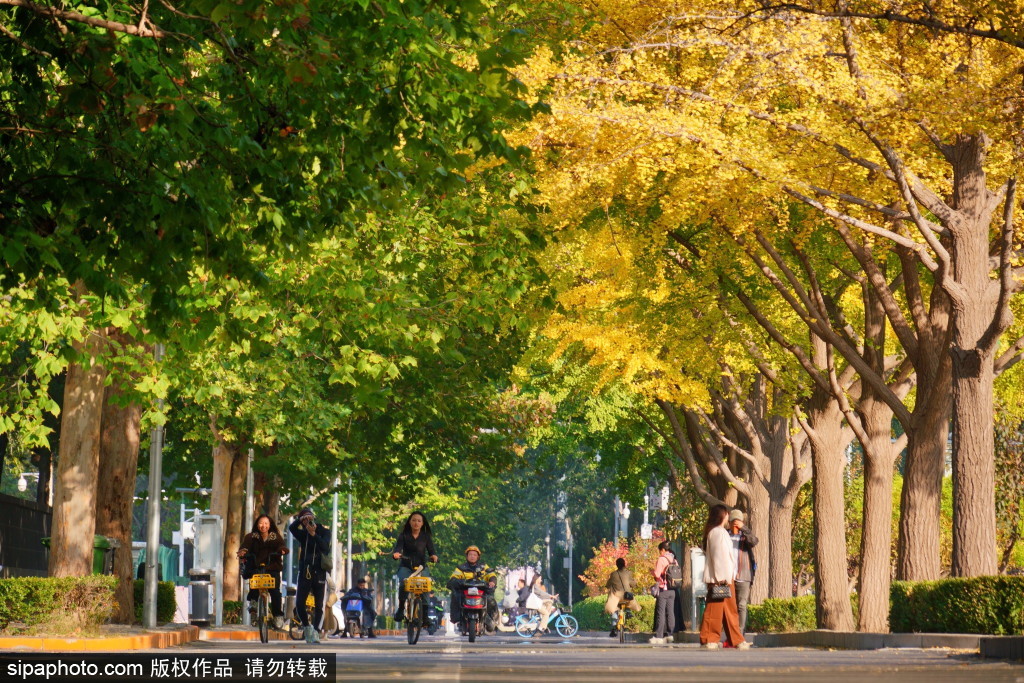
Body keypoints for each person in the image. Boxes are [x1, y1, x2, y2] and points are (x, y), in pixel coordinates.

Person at [700, 504, 749, 649]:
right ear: (722, 515)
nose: (728, 517)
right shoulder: (718, 532)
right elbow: (720, 556)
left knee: (723, 610)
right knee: (722, 610)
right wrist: (723, 577)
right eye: (727, 514)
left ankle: (728, 639)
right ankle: (714, 639)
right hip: (722, 578)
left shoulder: (717, 532)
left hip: (722, 577)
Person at [237, 515, 288, 630]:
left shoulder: (276, 537)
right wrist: (243, 551)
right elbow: (245, 546)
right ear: (257, 524)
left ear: (270, 525)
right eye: (261, 523)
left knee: (275, 592)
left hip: (272, 568)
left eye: (266, 523)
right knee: (255, 584)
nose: (263, 526)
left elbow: (281, 546)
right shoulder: (251, 537)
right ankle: (254, 603)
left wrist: (283, 550)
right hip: (256, 567)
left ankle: (277, 616)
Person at [289, 507, 331, 644]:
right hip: (305, 570)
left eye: (309, 518)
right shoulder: (302, 534)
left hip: (320, 571)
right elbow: (291, 528)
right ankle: (307, 627)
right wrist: (299, 520)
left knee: (319, 604)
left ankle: (317, 631)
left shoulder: (324, 531)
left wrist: (314, 535)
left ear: (314, 517)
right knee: (300, 602)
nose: (308, 521)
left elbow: (325, 547)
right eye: (305, 519)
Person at [391, 511, 438, 622]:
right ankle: (401, 609)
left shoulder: (426, 536)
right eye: (414, 520)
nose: (416, 523)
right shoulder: (403, 535)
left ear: (422, 523)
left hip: (422, 567)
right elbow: (398, 549)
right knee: (404, 583)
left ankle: (425, 615)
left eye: (419, 521)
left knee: (426, 585)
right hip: (406, 566)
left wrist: (434, 557)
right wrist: (396, 554)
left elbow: (432, 551)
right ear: (410, 522)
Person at [447, 545, 496, 631]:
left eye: (474, 555)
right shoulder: (461, 568)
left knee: (491, 600)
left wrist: (492, 581)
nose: (472, 556)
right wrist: (456, 581)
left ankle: (490, 620)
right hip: (465, 592)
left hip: (482, 592)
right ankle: (458, 618)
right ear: (467, 556)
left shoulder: (484, 567)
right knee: (455, 596)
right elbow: (454, 577)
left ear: (478, 557)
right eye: (470, 554)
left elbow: (491, 575)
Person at [729, 509, 759, 634]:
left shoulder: (745, 537)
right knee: (730, 606)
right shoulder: (725, 535)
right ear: (729, 522)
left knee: (741, 605)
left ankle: (740, 633)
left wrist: (745, 529)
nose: (736, 524)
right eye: (733, 521)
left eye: (739, 521)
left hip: (743, 575)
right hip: (728, 576)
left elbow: (754, 541)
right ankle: (731, 632)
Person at [604, 557, 641, 637]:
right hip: (627, 596)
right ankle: (628, 612)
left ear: (616, 565)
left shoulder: (613, 574)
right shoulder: (628, 573)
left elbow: (608, 585)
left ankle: (614, 627)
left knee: (613, 609)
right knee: (629, 603)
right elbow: (633, 584)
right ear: (624, 564)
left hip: (616, 597)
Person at [651, 541, 677, 643]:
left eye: (660, 551)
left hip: (663, 589)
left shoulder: (661, 559)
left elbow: (657, 575)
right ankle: (670, 634)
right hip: (673, 590)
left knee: (660, 612)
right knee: (670, 612)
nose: (659, 553)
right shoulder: (674, 560)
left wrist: (652, 572)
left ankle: (659, 635)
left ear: (662, 550)